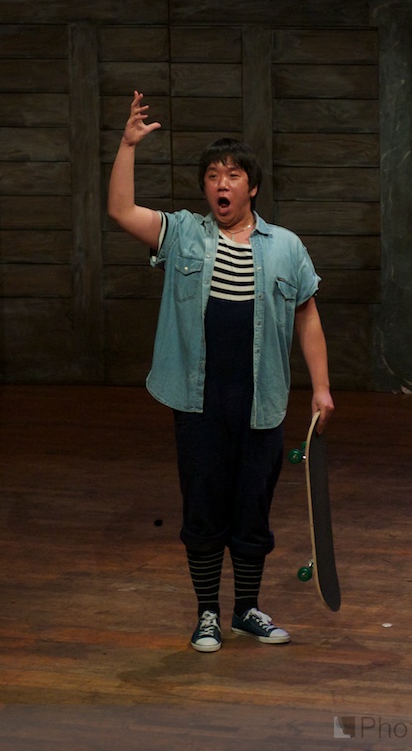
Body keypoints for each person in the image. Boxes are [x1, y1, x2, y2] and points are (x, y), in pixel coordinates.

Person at [108, 91, 335, 652]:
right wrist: (127, 146)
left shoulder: (286, 247)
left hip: (262, 400)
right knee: (204, 507)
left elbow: (307, 315)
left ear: (251, 186)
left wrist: (322, 388)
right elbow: (122, 211)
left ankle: (246, 610)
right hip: (199, 401)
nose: (221, 184)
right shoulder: (184, 233)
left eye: (232, 175)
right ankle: (207, 613)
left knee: (252, 508)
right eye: (212, 176)